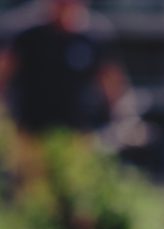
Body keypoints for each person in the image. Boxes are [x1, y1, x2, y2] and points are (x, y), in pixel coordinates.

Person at [0, 0, 126, 187]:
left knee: (75, 190)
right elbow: (5, 71)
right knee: (33, 191)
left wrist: (117, 116)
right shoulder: (29, 36)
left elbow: (112, 80)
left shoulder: (93, 37)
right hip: (32, 132)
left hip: (78, 133)